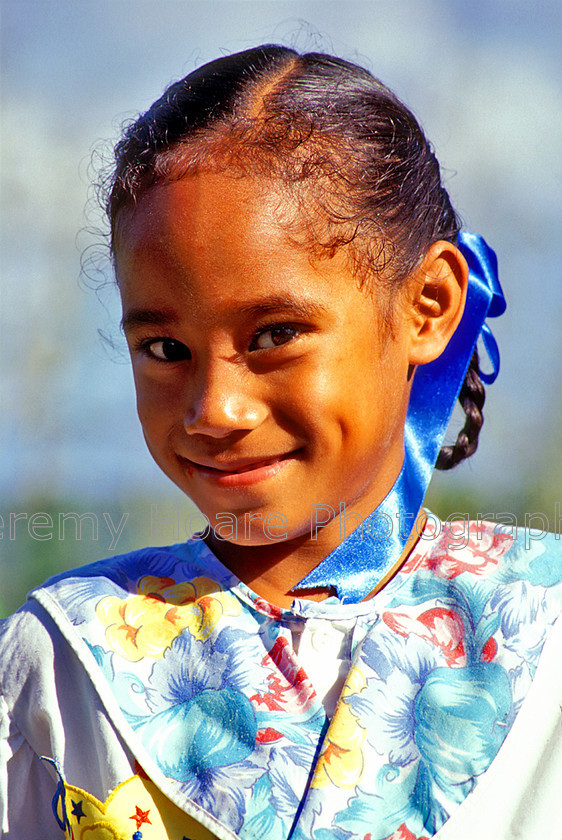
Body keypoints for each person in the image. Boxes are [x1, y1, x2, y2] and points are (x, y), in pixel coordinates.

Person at [1, 44, 561, 840]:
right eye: (165, 350)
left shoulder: (547, 630)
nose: (214, 409)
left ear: (429, 305)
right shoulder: (61, 664)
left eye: (275, 334)